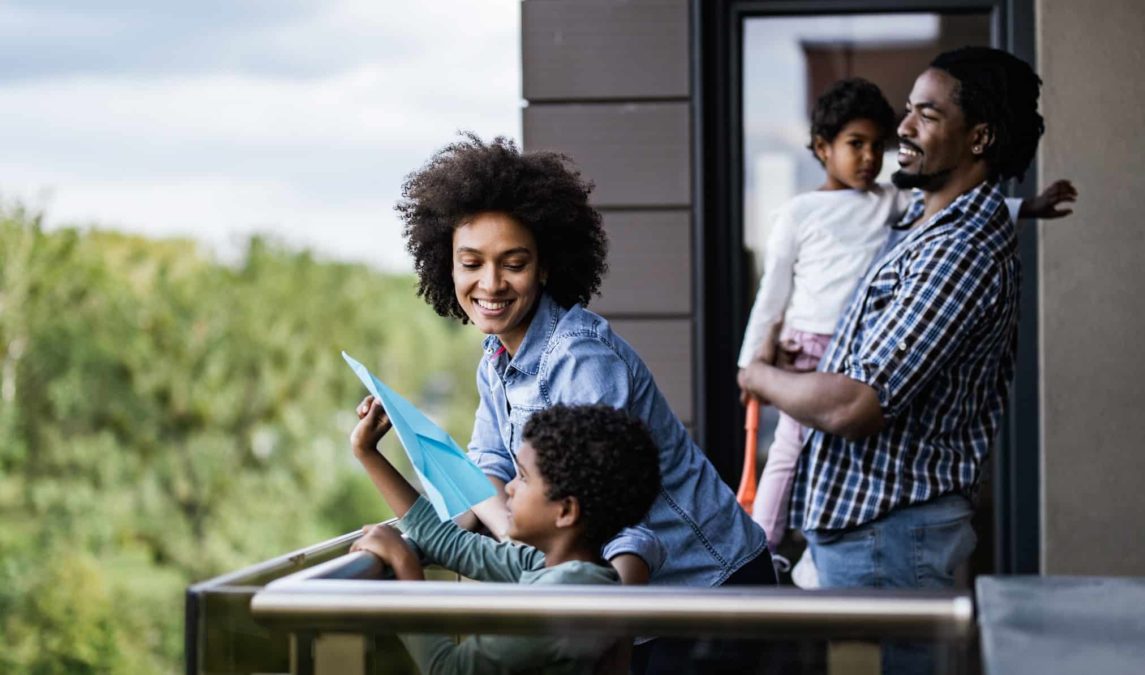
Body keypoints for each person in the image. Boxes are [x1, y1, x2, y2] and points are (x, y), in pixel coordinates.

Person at [398, 134, 774, 671]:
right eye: (471, 263)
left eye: (514, 262)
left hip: (706, 595)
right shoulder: (496, 359)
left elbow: (623, 523)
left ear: (546, 267)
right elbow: (486, 471)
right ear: (446, 266)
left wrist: (603, 642)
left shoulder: (580, 361)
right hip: (627, 604)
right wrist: (425, 537)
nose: (491, 282)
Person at [738, 47, 1055, 674]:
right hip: (870, 539)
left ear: (979, 137)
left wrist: (760, 376)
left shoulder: (959, 251)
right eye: (906, 112)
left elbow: (858, 405)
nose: (901, 130)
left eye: (926, 115)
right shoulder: (922, 222)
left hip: (888, 543)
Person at [349, 402, 661, 674]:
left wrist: (405, 563)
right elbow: (450, 543)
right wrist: (367, 452)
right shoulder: (552, 567)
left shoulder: (567, 596)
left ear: (565, 511)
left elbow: (450, 669)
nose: (508, 488)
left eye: (523, 477)